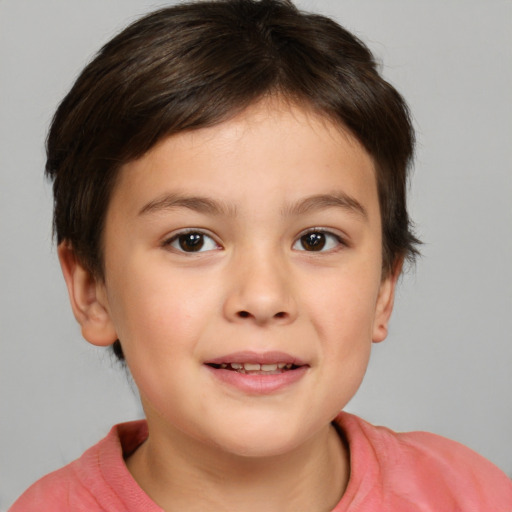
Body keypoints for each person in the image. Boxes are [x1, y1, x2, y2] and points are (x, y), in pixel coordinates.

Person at [10, 0, 512, 510]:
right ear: (93, 291)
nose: (264, 297)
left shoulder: (470, 495)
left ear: (384, 289)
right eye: (192, 240)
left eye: (316, 239)